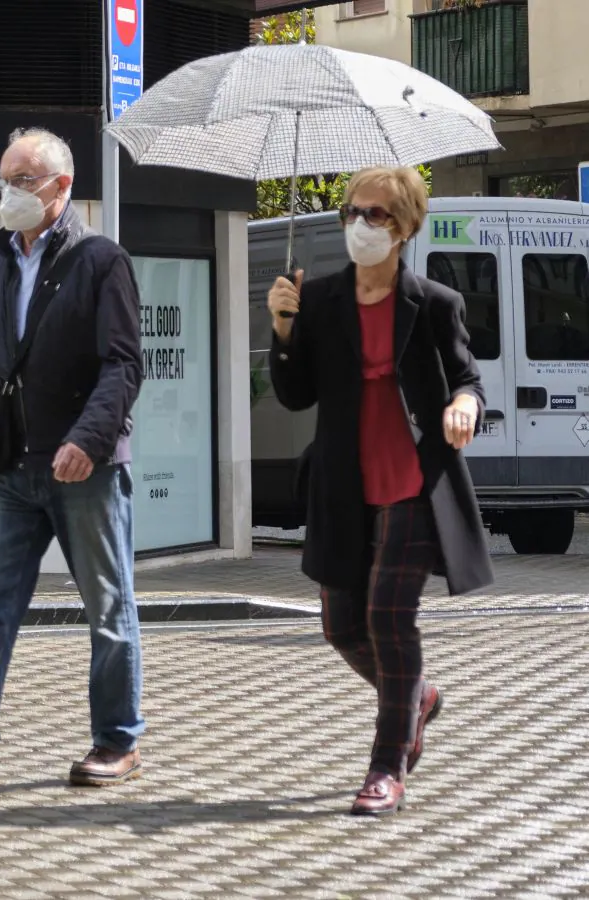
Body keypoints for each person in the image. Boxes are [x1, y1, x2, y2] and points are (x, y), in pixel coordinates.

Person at [0, 127, 146, 791]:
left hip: (84, 470)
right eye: (3, 179)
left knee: (107, 609)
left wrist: (87, 440)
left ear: (61, 187)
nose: (8, 192)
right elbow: (2, 367)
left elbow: (124, 365)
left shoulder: (100, 260)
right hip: (9, 470)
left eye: (23, 180)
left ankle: (116, 741)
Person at [268, 166, 494, 817]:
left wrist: (462, 406)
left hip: (412, 486)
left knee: (389, 621)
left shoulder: (434, 303)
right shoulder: (316, 299)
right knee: (341, 626)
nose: (357, 225)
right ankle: (417, 696)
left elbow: (466, 378)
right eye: (351, 213)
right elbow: (295, 394)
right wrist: (283, 332)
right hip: (342, 487)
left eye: (372, 215)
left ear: (400, 228)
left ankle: (385, 768)